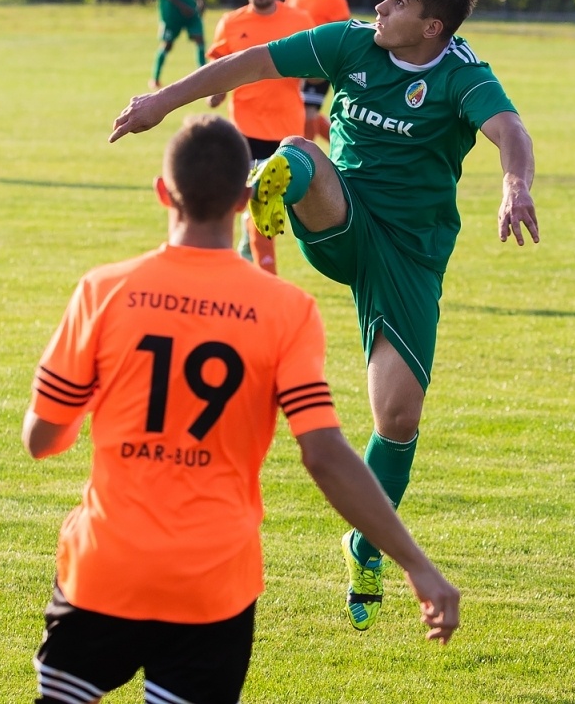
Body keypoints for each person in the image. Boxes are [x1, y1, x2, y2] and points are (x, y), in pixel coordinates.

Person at [110, 0, 538, 633]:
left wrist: (516, 183)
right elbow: (251, 63)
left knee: (398, 419)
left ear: (432, 27)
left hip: (410, 256)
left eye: (399, 1)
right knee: (300, 151)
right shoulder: (349, 43)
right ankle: (271, 195)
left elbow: (509, 129)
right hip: (340, 216)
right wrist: (162, 101)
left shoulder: (462, 75)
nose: (381, 7)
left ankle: (364, 547)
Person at [24, 116, 460, 704]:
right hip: (212, 582)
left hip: (105, 566)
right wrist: (415, 564)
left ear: (163, 192)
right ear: (243, 199)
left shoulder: (103, 292)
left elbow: (43, 439)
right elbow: (325, 456)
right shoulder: (285, 310)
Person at [207, 0, 314, 274]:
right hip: (246, 130)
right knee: (261, 204)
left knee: (271, 207)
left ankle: (248, 243)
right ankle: (267, 277)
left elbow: (318, 67)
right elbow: (218, 65)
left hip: (287, 131)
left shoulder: (300, 21)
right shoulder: (231, 23)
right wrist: (216, 90)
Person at [284, 0, 352, 143]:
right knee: (300, 110)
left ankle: (306, 156)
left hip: (321, 62)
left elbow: (343, 34)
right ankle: (345, 143)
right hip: (296, 61)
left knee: (308, 111)